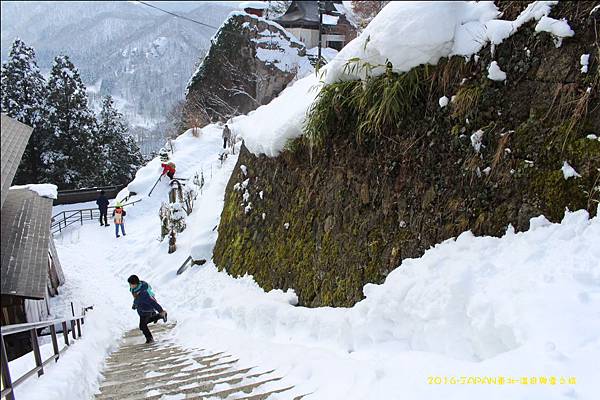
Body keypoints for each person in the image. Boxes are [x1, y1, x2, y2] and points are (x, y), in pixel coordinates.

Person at [128, 275, 167, 344]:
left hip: (147, 309)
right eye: (130, 284)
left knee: (142, 326)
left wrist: (161, 310)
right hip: (141, 309)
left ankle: (150, 339)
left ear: (135, 284)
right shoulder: (135, 289)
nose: (130, 285)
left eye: (131, 284)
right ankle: (159, 316)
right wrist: (135, 304)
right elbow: (136, 298)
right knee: (146, 322)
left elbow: (153, 303)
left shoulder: (143, 293)